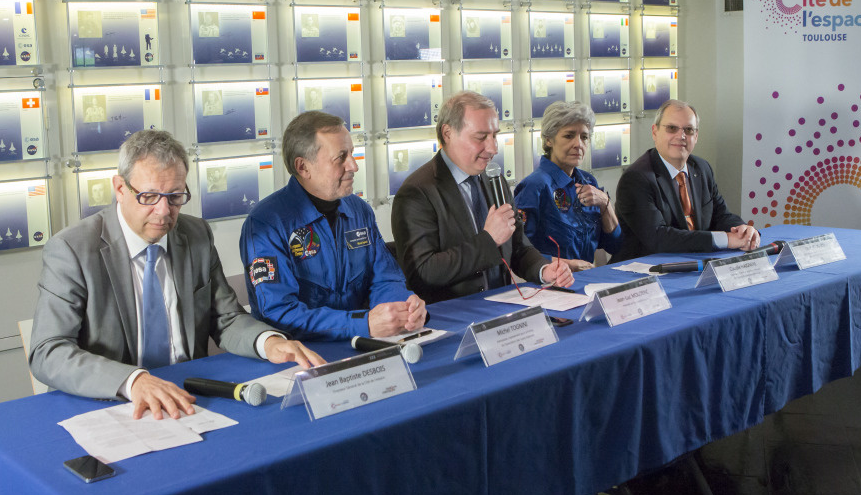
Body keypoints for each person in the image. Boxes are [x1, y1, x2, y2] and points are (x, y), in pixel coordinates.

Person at [29, 130, 322, 419]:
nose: (164, 211)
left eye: (175, 197)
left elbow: (225, 318)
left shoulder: (196, 235)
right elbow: (48, 351)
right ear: (120, 189)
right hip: (115, 402)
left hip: (191, 396)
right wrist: (133, 381)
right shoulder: (72, 249)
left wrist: (268, 342)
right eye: (149, 196)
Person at [240, 111, 425, 340]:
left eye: (352, 154)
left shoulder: (359, 211)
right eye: (341, 157)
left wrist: (402, 309)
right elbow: (279, 313)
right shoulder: (266, 224)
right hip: (299, 354)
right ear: (303, 167)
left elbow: (386, 278)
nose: (354, 166)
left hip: (361, 343)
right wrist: (362, 324)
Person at [392, 91, 573, 303]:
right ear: (448, 133)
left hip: (503, 313)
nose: (493, 148)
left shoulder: (494, 178)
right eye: (481, 137)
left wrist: (544, 270)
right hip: (453, 317)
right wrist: (488, 239)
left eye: (494, 135)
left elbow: (518, 247)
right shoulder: (417, 192)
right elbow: (423, 273)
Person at [614, 99, 759, 260]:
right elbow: (659, 238)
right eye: (671, 128)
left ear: (696, 136)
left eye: (688, 130)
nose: (681, 136)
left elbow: (721, 215)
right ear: (655, 132)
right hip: (646, 272)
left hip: (695, 263)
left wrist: (742, 230)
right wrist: (726, 239)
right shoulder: (636, 179)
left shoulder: (702, 168)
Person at [514, 101, 621, 269]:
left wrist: (605, 203)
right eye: (569, 135)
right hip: (551, 285)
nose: (578, 144)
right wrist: (566, 265)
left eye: (584, 137)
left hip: (587, 280)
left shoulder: (589, 182)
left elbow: (615, 245)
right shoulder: (535, 186)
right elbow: (518, 252)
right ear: (549, 140)